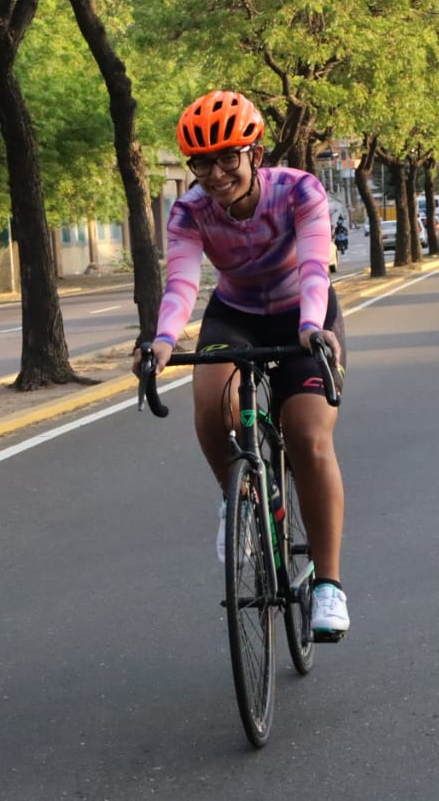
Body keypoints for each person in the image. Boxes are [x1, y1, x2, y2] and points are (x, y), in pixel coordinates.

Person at [133, 90, 349, 638]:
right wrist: (161, 340)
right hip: (235, 313)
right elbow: (182, 282)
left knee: (308, 436)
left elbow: (316, 264)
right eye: (202, 161)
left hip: (305, 310)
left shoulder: (299, 188)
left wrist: (309, 326)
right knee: (209, 401)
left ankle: (328, 586)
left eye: (229, 156)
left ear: (254, 151)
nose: (216, 172)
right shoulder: (188, 211)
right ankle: (237, 499)